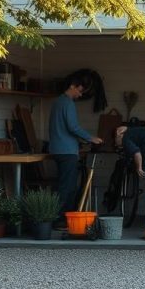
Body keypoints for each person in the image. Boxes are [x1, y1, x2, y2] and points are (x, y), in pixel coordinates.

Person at [48, 72, 103, 227]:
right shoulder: (67, 103)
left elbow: (64, 128)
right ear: (72, 86)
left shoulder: (57, 102)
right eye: (79, 91)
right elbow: (73, 127)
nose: (79, 95)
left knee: (63, 185)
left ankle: (58, 218)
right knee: (68, 187)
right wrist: (90, 138)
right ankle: (60, 220)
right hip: (67, 152)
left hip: (57, 149)